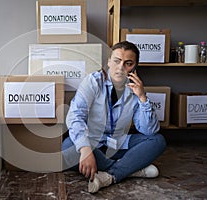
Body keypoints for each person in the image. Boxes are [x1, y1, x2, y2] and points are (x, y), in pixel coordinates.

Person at [62, 41, 166, 193]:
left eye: (128, 63)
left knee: (157, 140)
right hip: (92, 142)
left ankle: (111, 174)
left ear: (135, 66)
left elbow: (148, 130)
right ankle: (130, 169)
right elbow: (75, 116)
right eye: (117, 61)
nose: (121, 67)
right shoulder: (93, 82)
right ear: (109, 62)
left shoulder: (135, 88)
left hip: (118, 143)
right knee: (67, 148)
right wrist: (85, 149)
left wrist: (142, 97)